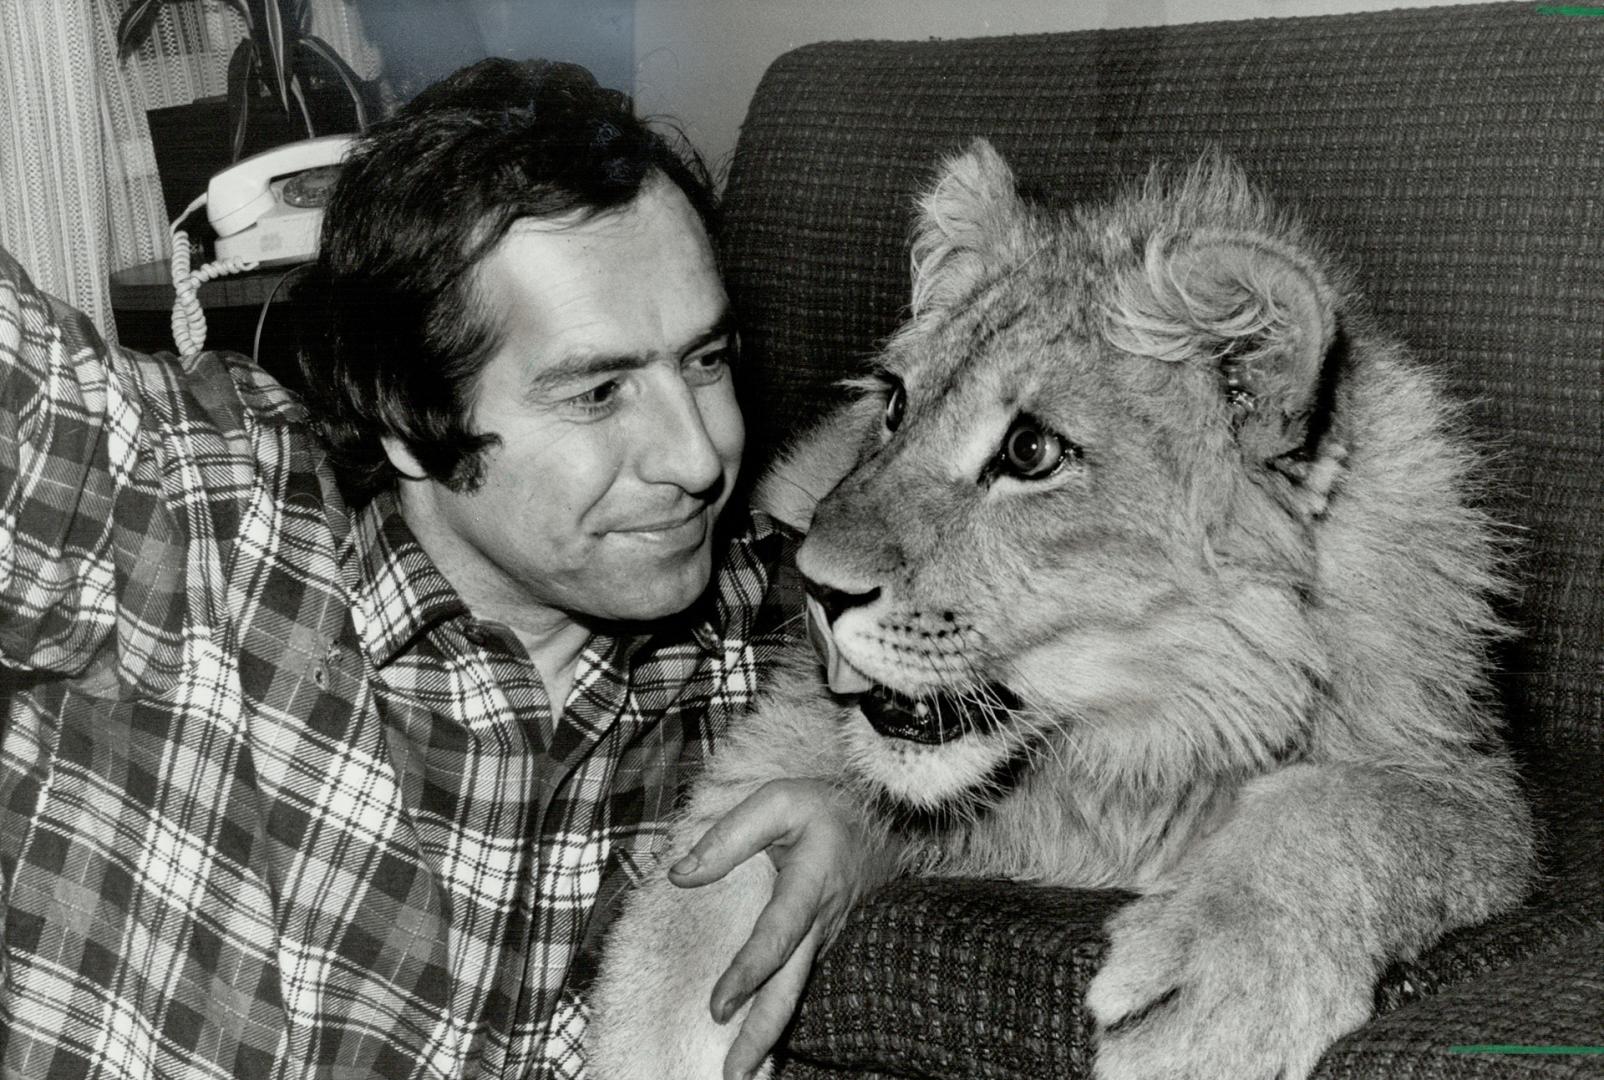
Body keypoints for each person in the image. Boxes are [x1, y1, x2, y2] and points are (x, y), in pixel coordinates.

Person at [0, 58, 864, 1079]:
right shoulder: (178, 507)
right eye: (596, 393)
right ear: (409, 418)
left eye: (705, 360)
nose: (697, 456)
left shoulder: (760, 634)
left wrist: (870, 822)